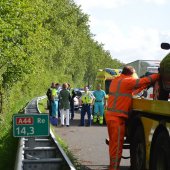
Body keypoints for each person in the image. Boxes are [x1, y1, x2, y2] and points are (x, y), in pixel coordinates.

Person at [105, 66, 160, 170]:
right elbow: (143, 81)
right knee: (116, 148)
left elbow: (129, 93)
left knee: (113, 145)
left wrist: (144, 87)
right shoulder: (127, 81)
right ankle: (113, 168)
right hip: (117, 119)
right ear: (130, 74)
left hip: (111, 117)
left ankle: (112, 167)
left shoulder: (117, 80)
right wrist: (158, 75)